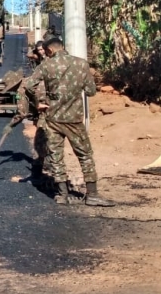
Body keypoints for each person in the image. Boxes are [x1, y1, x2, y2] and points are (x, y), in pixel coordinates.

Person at [25, 37, 115, 207]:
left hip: (53, 119)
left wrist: (39, 102)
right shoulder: (81, 64)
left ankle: (62, 195)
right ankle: (93, 194)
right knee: (85, 155)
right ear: (62, 47)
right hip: (74, 119)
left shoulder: (46, 65)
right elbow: (90, 91)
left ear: (49, 51)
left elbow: (29, 85)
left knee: (56, 156)